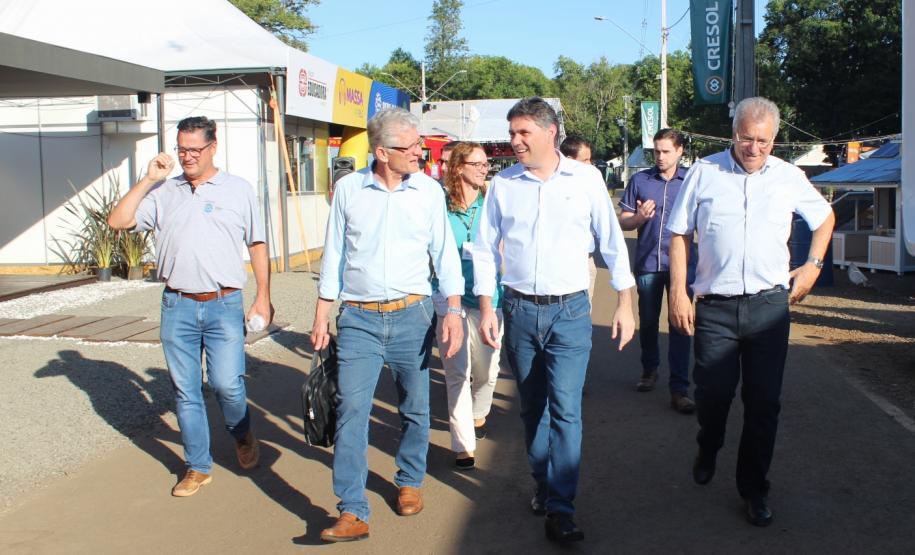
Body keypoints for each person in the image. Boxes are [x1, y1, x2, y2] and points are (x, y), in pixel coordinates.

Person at [667, 97, 835, 527]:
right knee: (713, 397)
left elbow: (824, 217)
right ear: (733, 134)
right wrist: (679, 293)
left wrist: (812, 266)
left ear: (774, 139)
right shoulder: (705, 172)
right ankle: (709, 443)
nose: (754, 148)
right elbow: (681, 234)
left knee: (764, 404)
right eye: (746, 139)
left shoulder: (789, 176)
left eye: (763, 141)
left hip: (768, 308)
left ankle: (754, 488)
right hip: (716, 309)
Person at [473, 97, 636, 543]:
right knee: (532, 408)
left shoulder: (585, 180)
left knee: (566, 410)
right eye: (512, 133)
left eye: (523, 133)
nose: (514, 142)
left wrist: (625, 301)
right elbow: (485, 249)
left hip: (570, 312)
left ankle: (562, 507)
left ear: (550, 133)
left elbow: (611, 241)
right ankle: (542, 483)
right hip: (520, 310)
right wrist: (487, 306)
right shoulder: (503, 184)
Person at [310, 107, 465, 543]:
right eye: (411, 146)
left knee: (414, 408)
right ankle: (351, 509)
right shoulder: (348, 190)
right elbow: (334, 254)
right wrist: (323, 312)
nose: (420, 151)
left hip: (413, 315)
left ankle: (409, 480)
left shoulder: (429, 192)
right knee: (351, 412)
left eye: (419, 145)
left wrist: (452, 310)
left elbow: (445, 254)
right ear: (381, 152)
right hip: (358, 317)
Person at [108, 116, 272, 497]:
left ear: (213, 147)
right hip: (177, 305)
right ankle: (197, 466)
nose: (187, 157)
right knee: (186, 391)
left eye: (195, 149)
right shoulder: (165, 192)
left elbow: (258, 244)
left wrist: (263, 295)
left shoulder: (238, 190)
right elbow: (119, 221)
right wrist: (149, 178)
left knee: (227, 385)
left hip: (224, 303)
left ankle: (242, 432)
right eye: (182, 149)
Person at [432, 141, 503, 471]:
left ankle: (477, 413)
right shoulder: (440, 207)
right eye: (477, 163)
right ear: (458, 168)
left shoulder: (493, 205)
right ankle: (463, 445)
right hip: (450, 302)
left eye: (485, 163)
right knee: (456, 372)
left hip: (491, 301)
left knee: (487, 372)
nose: (484, 168)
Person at [618, 128, 697, 413]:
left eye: (666, 151)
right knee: (649, 323)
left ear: (680, 152)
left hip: (683, 268)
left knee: (681, 324)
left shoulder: (691, 181)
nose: (660, 157)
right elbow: (625, 221)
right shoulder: (641, 180)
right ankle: (649, 370)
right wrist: (639, 217)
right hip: (649, 264)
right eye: (656, 151)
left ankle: (680, 388)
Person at [560, 136, 600, 304]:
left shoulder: (592, 181)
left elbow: (606, 226)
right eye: (585, 160)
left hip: (585, 260)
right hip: (560, 262)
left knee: (582, 318)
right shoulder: (549, 186)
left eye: (590, 159)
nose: (590, 164)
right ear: (569, 160)